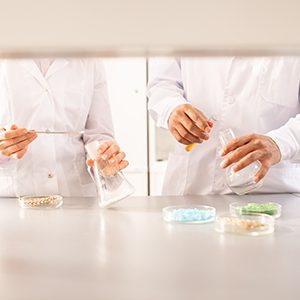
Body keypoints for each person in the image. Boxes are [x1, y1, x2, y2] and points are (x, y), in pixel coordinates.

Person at [147, 57, 300, 195]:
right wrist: (171, 108)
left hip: (272, 191)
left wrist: (281, 143)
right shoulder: (179, 26)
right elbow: (161, 83)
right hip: (192, 186)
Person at [0, 58, 128, 197]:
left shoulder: (89, 58)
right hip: (11, 199)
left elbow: (99, 134)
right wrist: (3, 147)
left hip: (74, 198)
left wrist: (104, 158)